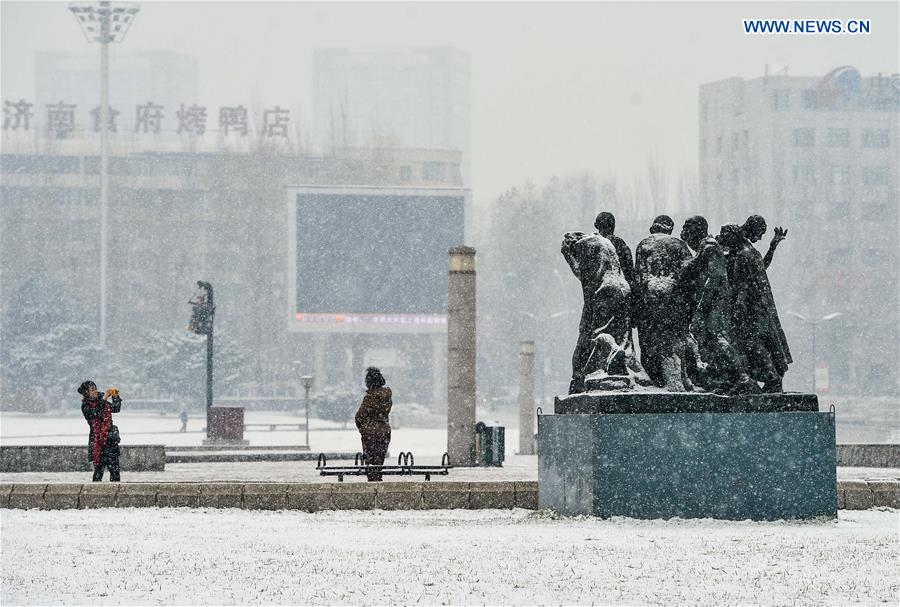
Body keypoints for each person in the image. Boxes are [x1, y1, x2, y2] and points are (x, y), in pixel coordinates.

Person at [677, 216, 757, 393]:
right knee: (709, 340)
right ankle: (728, 376)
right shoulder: (704, 248)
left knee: (716, 338)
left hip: (714, 304)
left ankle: (741, 376)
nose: (684, 233)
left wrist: (702, 305)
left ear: (698, 230)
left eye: (687, 228)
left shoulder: (709, 248)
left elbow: (714, 278)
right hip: (711, 303)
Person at [718, 220, 792, 392]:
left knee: (750, 344)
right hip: (756, 309)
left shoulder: (745, 253)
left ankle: (771, 377)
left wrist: (739, 307)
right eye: (759, 233)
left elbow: (745, 283)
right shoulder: (745, 252)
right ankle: (769, 378)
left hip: (752, 310)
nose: (759, 238)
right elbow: (757, 271)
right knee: (754, 344)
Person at [561, 228, 631, 393]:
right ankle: (624, 365)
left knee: (598, 333)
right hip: (623, 289)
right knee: (622, 333)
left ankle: (613, 351)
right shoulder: (604, 242)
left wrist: (568, 257)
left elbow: (582, 274)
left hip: (605, 290)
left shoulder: (584, 245)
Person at [633, 215, 695, 391]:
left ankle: (657, 380)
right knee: (676, 341)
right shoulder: (679, 245)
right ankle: (678, 380)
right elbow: (689, 273)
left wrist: (637, 309)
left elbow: (639, 277)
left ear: (653, 228)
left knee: (649, 342)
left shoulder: (643, 245)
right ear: (670, 229)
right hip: (675, 301)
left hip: (650, 301)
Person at [78, 380, 122, 482]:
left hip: (110, 440)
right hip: (98, 442)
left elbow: (116, 408)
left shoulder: (101, 400)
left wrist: (115, 396)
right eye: (92, 390)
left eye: (95, 388)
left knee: (115, 471)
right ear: (86, 393)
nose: (95, 391)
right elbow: (96, 413)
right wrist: (105, 398)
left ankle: (115, 494)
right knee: (98, 472)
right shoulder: (86, 406)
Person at [354, 367, 392, 481]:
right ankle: (378, 483)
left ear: (369, 382)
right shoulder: (387, 396)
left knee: (370, 464)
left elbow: (359, 416)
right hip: (384, 432)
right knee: (379, 461)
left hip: (370, 433)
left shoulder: (370, 398)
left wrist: (363, 428)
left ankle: (373, 487)